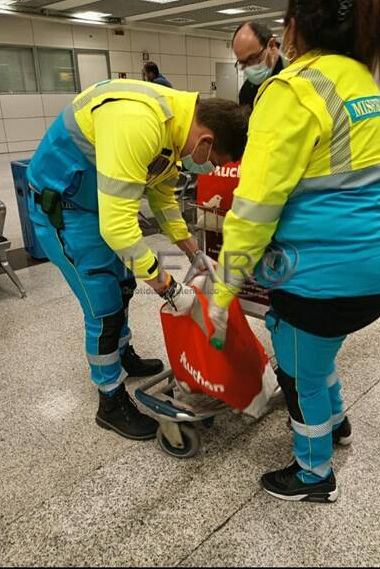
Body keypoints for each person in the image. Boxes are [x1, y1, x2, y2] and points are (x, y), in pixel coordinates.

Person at [209, 0, 380, 502]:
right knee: (315, 353)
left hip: (321, 270)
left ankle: (313, 473)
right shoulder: (363, 81)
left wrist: (222, 288)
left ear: (293, 25)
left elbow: (254, 208)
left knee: (298, 374)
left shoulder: (292, 90)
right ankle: (337, 423)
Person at [27, 78, 248, 441]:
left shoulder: (176, 129)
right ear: (206, 142)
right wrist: (169, 287)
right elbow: (118, 228)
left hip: (101, 206)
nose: (208, 169)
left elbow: (162, 199)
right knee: (103, 306)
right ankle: (109, 399)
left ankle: (123, 352)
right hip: (65, 211)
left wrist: (194, 253)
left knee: (124, 286)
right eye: (215, 162)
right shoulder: (139, 122)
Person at [232, 22, 286, 109]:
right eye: (243, 63)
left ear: (272, 45)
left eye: (252, 58)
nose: (249, 68)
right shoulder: (246, 91)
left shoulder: (293, 77)